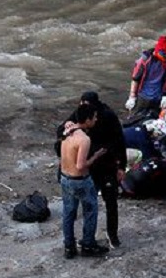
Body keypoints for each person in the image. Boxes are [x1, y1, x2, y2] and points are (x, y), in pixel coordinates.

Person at [60, 91, 126, 249]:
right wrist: (66, 125)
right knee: (84, 206)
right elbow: (61, 133)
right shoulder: (81, 114)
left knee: (111, 202)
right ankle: (85, 240)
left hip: (107, 164)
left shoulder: (108, 116)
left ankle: (112, 234)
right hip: (88, 167)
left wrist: (121, 166)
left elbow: (120, 140)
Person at [58, 104, 110, 259]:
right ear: (87, 120)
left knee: (68, 213)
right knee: (90, 211)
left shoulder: (67, 131)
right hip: (79, 181)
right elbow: (80, 166)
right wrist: (95, 156)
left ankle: (69, 247)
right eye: (94, 117)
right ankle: (88, 244)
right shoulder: (84, 139)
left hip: (64, 178)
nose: (96, 119)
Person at [124, 35, 166, 122]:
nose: (165, 57)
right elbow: (135, 78)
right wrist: (132, 96)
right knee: (134, 119)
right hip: (142, 97)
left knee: (154, 121)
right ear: (158, 51)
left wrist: (165, 96)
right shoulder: (145, 60)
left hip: (157, 98)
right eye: (164, 54)